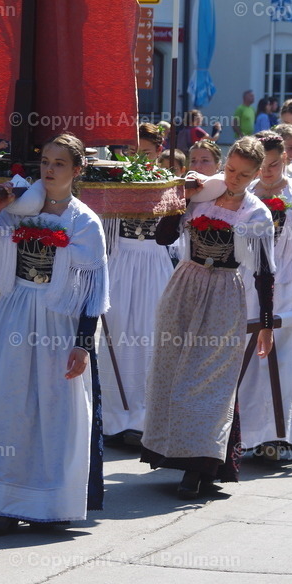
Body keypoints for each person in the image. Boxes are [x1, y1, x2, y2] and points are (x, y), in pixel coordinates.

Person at [0, 132, 109, 534]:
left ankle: (50, 501)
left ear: (77, 171)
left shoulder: (84, 222)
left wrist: (82, 345)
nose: (49, 169)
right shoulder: (19, 209)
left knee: (54, 409)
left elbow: (94, 292)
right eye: (45, 161)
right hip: (14, 313)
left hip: (57, 320)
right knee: (8, 404)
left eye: (59, 163)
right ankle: (2, 503)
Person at [140, 136, 275, 498]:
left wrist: (265, 325)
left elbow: (264, 272)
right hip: (185, 283)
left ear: (256, 175)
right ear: (224, 163)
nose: (234, 179)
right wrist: (179, 198)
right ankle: (173, 453)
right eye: (230, 169)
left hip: (223, 291)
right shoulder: (201, 196)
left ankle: (200, 468)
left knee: (209, 380)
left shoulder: (256, 213)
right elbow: (162, 237)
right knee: (172, 370)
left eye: (244, 175)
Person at [239, 132, 292, 460]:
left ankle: (278, 435)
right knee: (247, 361)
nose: (268, 171)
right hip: (246, 285)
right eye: (261, 165)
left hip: (289, 286)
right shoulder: (242, 193)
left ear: (285, 159)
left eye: (274, 164)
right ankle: (244, 434)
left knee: (285, 362)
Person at [99, 126, 177, 448]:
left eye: (145, 152)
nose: (137, 158)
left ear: (158, 152)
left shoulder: (168, 184)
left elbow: (174, 236)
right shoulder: (117, 181)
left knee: (148, 336)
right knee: (116, 334)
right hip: (121, 263)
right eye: (132, 152)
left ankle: (145, 419)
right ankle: (114, 417)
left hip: (154, 265)